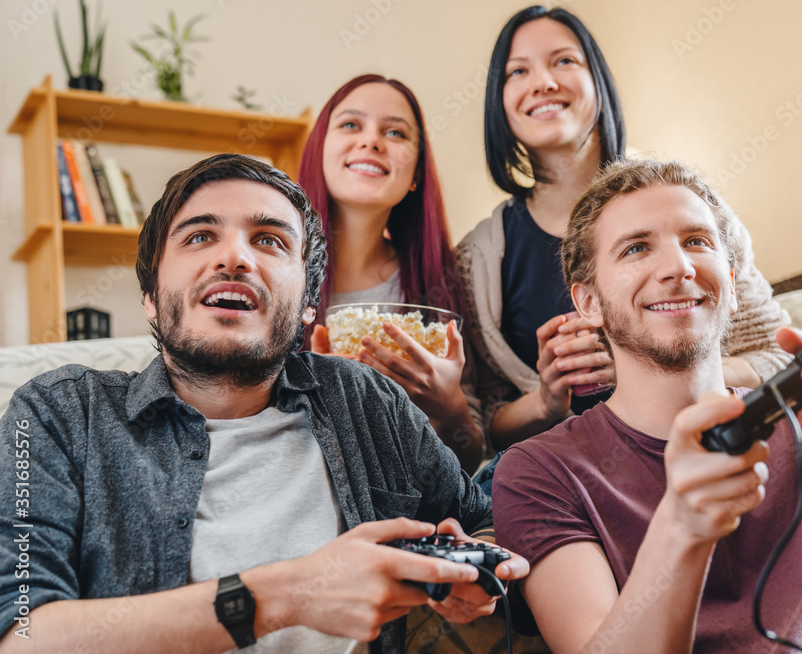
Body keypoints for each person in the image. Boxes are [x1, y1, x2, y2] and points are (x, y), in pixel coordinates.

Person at [0, 154, 527, 653]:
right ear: (150, 298)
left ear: (306, 307)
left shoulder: (366, 401)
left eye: (270, 240)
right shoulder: (57, 415)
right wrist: (287, 595)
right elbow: (20, 634)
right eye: (201, 236)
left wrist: (471, 567)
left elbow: (478, 522)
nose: (234, 257)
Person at [491, 158, 802, 652]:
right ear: (589, 302)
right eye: (637, 248)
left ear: (727, 278)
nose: (678, 267)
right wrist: (683, 526)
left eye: (696, 242)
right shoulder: (539, 472)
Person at [457, 6, 791, 455]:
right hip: (580, 485)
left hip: (713, 455)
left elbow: (776, 358)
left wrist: (649, 370)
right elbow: (482, 431)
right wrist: (545, 399)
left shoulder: (693, 207)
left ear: (599, 81)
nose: (544, 82)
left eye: (564, 61)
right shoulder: (476, 259)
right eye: (519, 71)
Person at [298, 74, 484, 473]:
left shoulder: (440, 281)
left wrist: (450, 409)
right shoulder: (273, 275)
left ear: (416, 173)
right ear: (318, 151)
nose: (371, 141)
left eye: (395, 132)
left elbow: (467, 459)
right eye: (350, 124)